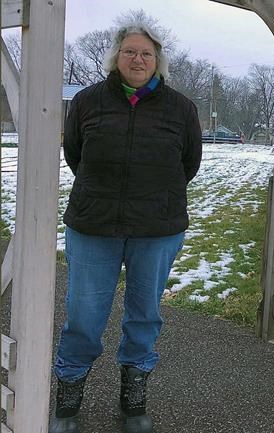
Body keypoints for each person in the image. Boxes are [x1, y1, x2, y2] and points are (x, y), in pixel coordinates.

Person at [50, 21, 202, 433]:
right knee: (83, 315)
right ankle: (67, 403)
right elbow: (75, 154)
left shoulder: (181, 108)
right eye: (130, 51)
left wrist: (152, 196)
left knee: (145, 315)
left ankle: (133, 401)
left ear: (158, 61)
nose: (138, 59)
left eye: (146, 53)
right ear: (116, 57)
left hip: (156, 230)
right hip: (93, 226)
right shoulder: (87, 101)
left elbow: (188, 164)